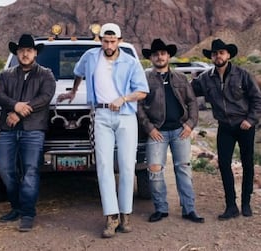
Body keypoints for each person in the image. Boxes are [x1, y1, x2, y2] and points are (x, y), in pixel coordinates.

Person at [57, 23, 149, 238]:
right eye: (105, 41)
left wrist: (124, 98)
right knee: (104, 166)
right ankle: (111, 216)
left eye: (112, 41)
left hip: (125, 115)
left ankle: (126, 214)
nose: (109, 45)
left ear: (119, 40)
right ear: (100, 40)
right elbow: (78, 73)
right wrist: (74, 91)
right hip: (101, 115)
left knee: (127, 166)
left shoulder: (130, 61)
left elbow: (143, 91)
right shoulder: (90, 56)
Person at [192, 39, 261, 220]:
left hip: (244, 125)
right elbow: (187, 91)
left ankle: (246, 203)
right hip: (224, 127)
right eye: (215, 54)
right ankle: (231, 206)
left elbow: (256, 98)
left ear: (228, 55)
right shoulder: (205, 79)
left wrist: (251, 119)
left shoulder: (242, 75)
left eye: (221, 53)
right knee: (224, 164)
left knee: (247, 163)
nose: (218, 56)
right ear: (212, 57)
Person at [138, 38, 204, 224]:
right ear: (151, 57)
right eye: (156, 54)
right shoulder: (145, 78)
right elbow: (139, 105)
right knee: (155, 170)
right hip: (156, 132)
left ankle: (189, 209)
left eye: (163, 53)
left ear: (168, 56)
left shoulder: (180, 78)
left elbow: (192, 102)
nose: (160, 57)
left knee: (183, 169)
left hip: (180, 131)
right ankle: (160, 208)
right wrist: (149, 127)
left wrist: (190, 124)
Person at [0, 34, 56, 232]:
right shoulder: (6, 74)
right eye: (21, 50)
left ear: (35, 53)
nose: (25, 54)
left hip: (33, 130)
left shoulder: (46, 74)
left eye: (29, 50)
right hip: (8, 130)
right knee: (5, 169)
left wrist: (19, 112)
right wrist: (15, 105)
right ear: (16, 53)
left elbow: (45, 97)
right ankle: (16, 207)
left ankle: (28, 213)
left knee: (30, 171)